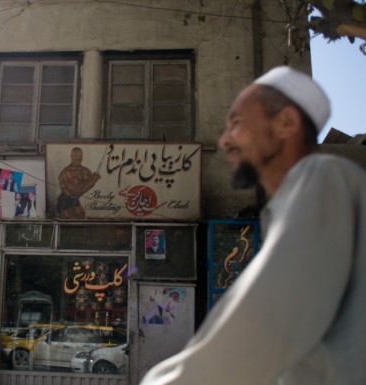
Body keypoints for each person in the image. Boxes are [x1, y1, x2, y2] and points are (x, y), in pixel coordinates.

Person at [140, 66, 366, 385]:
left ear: (286, 123)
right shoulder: (298, 199)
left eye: (237, 123)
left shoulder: (322, 179)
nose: (225, 139)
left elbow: (258, 328)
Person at [56, 147, 101, 218]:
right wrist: (93, 181)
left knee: (80, 216)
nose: (78, 158)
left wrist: (92, 180)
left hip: (77, 204)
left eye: (80, 156)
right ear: (71, 156)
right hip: (65, 204)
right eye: (75, 156)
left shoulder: (86, 171)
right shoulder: (65, 172)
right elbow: (74, 192)